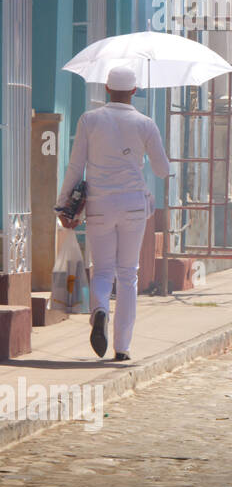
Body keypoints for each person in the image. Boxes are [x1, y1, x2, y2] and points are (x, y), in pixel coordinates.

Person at [56, 65, 170, 361]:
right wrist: (140, 156)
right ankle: (122, 347)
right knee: (128, 274)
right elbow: (162, 170)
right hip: (133, 205)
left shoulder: (89, 120)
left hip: (100, 206)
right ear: (134, 91)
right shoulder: (145, 124)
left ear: (107, 88)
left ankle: (100, 310)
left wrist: (63, 204)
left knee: (103, 269)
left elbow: (75, 166)